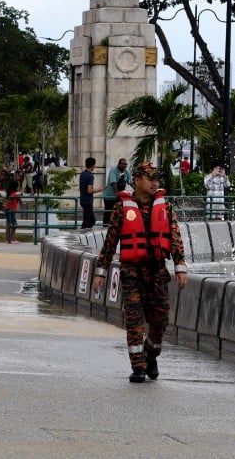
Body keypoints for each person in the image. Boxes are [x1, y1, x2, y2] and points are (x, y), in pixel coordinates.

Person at [91, 162, 188, 383]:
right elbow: (110, 243)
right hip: (131, 272)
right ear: (137, 181)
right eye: (150, 179)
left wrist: (181, 267)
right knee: (134, 318)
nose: (155, 183)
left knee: (161, 318)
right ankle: (138, 367)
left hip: (157, 271)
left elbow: (175, 239)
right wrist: (100, 272)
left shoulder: (166, 208)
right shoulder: (121, 209)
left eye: (157, 179)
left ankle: (150, 354)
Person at [101, 158, 131, 227]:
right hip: (110, 196)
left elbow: (131, 181)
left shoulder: (126, 171)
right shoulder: (113, 170)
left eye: (125, 164)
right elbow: (113, 182)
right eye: (122, 164)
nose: (124, 166)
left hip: (119, 197)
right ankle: (106, 227)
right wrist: (116, 193)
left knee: (118, 213)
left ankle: (117, 227)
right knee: (108, 213)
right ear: (118, 164)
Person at [79, 157, 99, 229]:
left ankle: (85, 233)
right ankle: (83, 234)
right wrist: (99, 190)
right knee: (88, 221)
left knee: (90, 220)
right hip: (88, 201)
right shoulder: (90, 176)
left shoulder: (83, 174)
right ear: (93, 165)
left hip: (82, 200)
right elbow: (89, 190)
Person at [3, 170, 22, 244]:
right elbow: (16, 195)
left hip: (11, 209)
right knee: (11, 224)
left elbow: (16, 196)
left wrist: (19, 199)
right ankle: (9, 239)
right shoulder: (13, 193)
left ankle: (11, 239)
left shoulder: (12, 193)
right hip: (9, 209)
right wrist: (19, 197)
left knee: (12, 224)